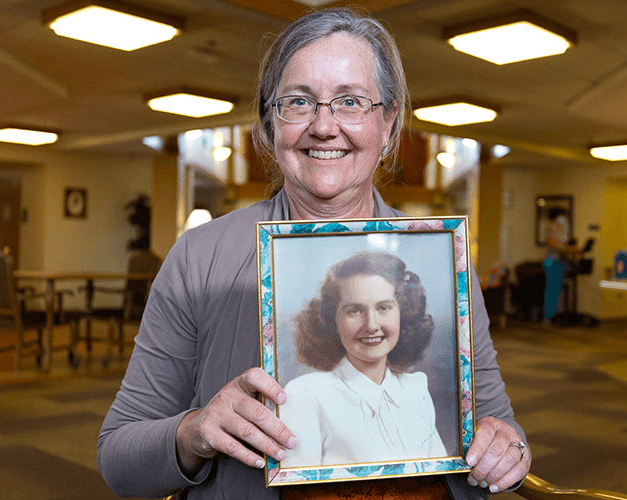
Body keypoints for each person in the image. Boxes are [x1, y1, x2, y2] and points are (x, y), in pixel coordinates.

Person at [98, 8, 530, 500]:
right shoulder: (202, 256)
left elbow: (502, 429)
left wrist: (508, 449)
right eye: (299, 102)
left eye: (351, 101)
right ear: (268, 127)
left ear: (388, 124)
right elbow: (118, 460)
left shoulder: (439, 255)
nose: (324, 127)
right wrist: (195, 431)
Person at [280, 251, 447, 467]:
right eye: (355, 310)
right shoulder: (307, 396)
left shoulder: (416, 390)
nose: (371, 325)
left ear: (403, 313)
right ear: (332, 320)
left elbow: (439, 476)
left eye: (383, 308)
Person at [542, 207, 576, 323]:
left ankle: (558, 315)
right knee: (552, 289)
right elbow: (553, 243)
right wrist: (567, 249)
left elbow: (561, 243)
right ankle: (549, 317)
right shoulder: (549, 227)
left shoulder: (558, 228)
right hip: (551, 261)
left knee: (558, 289)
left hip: (558, 261)